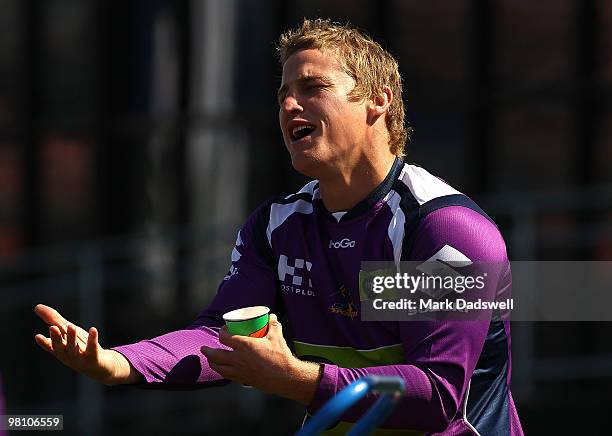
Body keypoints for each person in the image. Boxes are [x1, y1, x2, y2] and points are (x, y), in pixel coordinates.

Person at [34, 19, 523, 435]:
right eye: (284, 94)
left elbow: (436, 396)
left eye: (312, 88)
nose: (290, 105)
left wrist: (297, 379)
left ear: (378, 100)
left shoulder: (444, 229)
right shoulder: (277, 226)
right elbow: (220, 338)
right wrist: (119, 364)